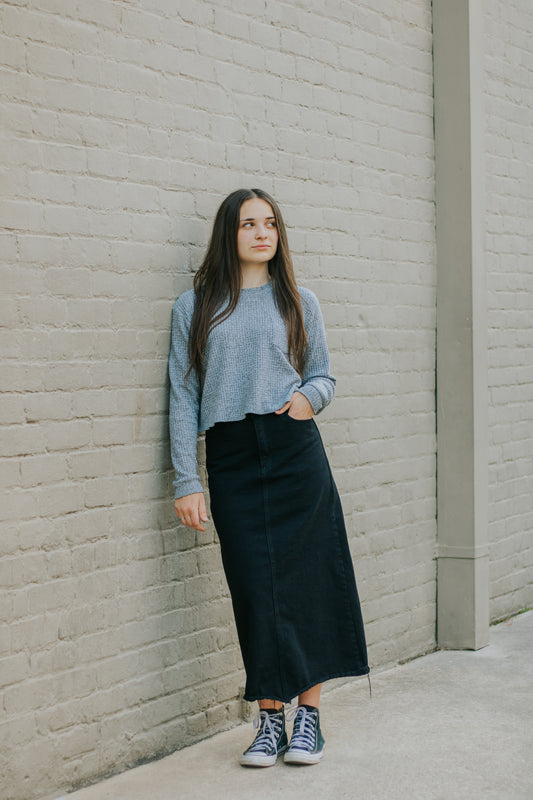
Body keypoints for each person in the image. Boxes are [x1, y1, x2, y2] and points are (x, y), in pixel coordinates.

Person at [168, 188, 369, 767]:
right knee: (255, 589)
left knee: (309, 582)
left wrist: (306, 401)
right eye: (249, 224)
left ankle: (308, 719)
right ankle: (269, 719)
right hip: (230, 457)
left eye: (271, 224)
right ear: (228, 234)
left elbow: (324, 376)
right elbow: (183, 396)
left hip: (292, 452)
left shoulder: (297, 300)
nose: (262, 233)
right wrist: (188, 479)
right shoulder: (195, 307)